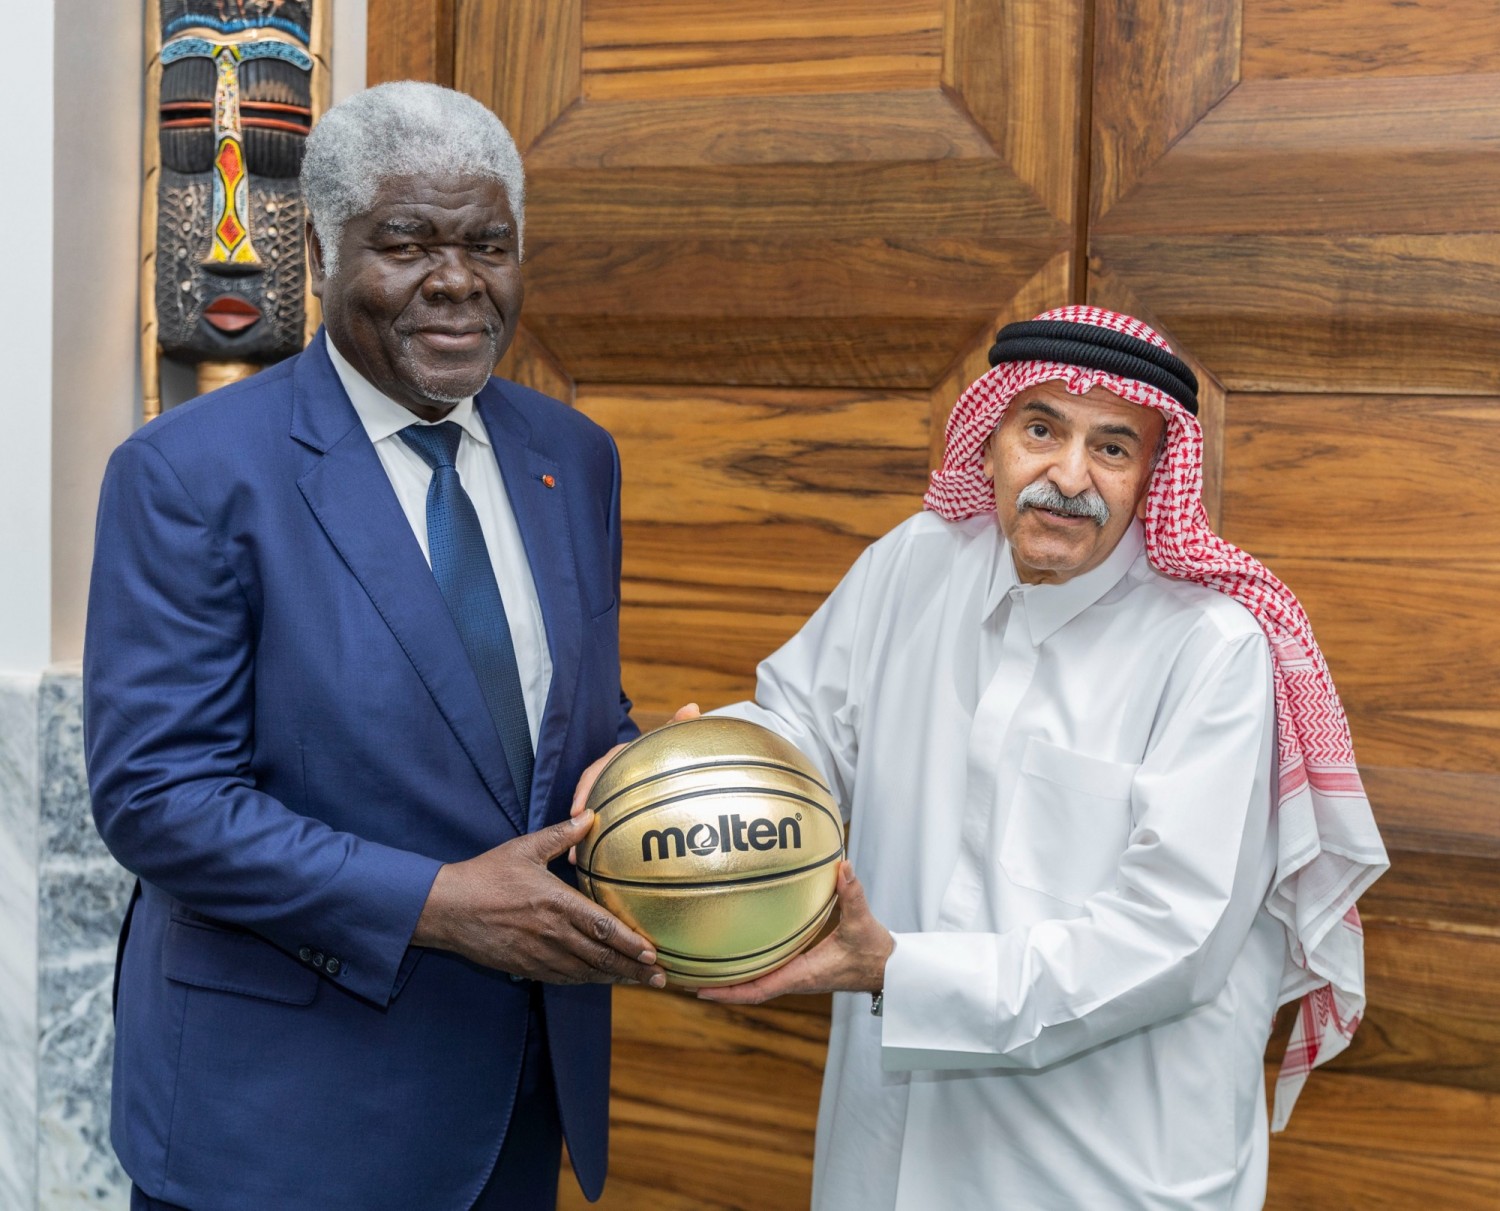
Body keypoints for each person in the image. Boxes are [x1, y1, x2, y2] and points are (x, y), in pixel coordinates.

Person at [85, 82, 665, 1211]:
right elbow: (160, 797)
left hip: (513, 1102)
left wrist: (646, 781)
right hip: (281, 1125)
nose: (456, 280)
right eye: (406, 243)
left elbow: (556, 719)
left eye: (488, 244)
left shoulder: (574, 456)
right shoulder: (190, 473)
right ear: (320, 253)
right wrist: (437, 902)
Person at [689, 307, 1389, 1208]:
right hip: (887, 1151)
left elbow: (1171, 941)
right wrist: (693, 775)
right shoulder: (914, 564)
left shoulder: (1212, 651)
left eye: (1112, 447)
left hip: (1095, 1168)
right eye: (1043, 429)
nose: (1068, 475)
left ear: (1153, 475)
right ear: (990, 440)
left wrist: (901, 972)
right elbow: (802, 733)